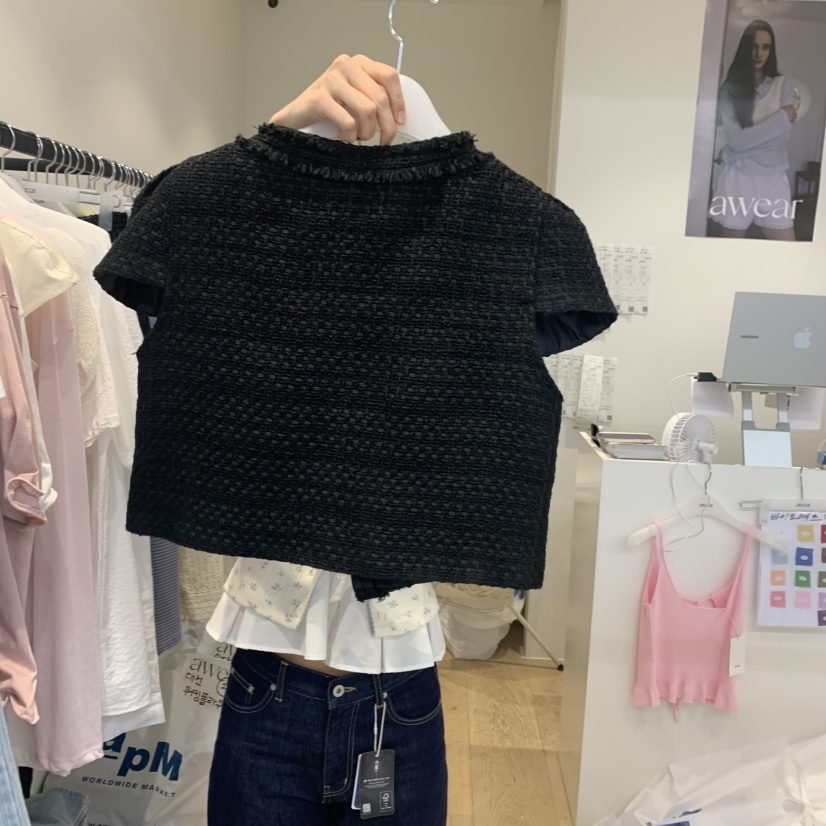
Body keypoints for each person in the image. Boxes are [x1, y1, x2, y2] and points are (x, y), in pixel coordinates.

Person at [204, 55, 449, 826]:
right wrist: (285, 128)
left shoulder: (456, 313)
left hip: (396, 700)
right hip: (269, 689)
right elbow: (171, 239)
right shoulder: (262, 296)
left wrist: (426, 131)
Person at [709, 19, 801, 240]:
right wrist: (782, 119)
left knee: (787, 249)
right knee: (732, 252)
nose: (759, 53)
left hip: (773, 179)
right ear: (745, 48)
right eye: (753, 46)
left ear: (771, 50)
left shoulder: (784, 85)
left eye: (765, 47)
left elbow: (782, 139)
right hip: (738, 179)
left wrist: (731, 153)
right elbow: (737, 140)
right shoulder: (729, 89)